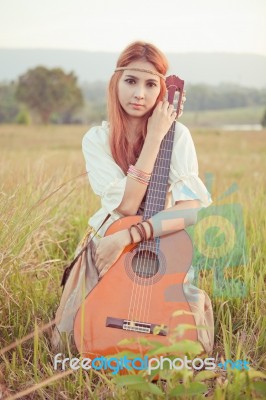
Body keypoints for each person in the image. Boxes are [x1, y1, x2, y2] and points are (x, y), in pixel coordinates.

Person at [51, 41, 214, 353]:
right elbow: (125, 207)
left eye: (151, 84)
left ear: (162, 91)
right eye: (131, 81)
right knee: (72, 343)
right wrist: (153, 139)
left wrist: (132, 234)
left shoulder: (178, 136)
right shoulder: (97, 139)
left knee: (181, 345)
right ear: (116, 83)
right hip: (107, 239)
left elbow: (190, 209)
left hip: (159, 240)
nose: (139, 93)